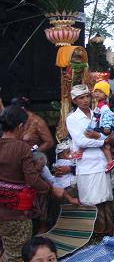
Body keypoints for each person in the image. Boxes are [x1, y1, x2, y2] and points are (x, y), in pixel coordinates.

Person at [0, 106, 64, 262]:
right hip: (15, 212)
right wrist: (51, 188)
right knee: (17, 255)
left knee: (8, 248)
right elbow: (32, 180)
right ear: (20, 126)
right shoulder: (21, 147)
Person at [66, 85, 114, 235]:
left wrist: (101, 138)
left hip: (102, 162)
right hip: (87, 164)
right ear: (74, 101)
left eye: (87, 96)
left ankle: (109, 232)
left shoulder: (97, 114)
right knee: (92, 201)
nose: (86, 100)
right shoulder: (72, 118)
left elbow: (108, 135)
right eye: (81, 98)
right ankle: (97, 234)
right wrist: (102, 141)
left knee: (106, 199)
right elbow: (81, 141)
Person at [92, 81, 114, 173]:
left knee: (104, 146)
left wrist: (107, 128)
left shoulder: (104, 106)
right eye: (95, 91)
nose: (97, 94)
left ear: (106, 94)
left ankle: (110, 162)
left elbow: (108, 116)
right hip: (101, 126)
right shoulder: (100, 104)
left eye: (100, 92)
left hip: (104, 128)